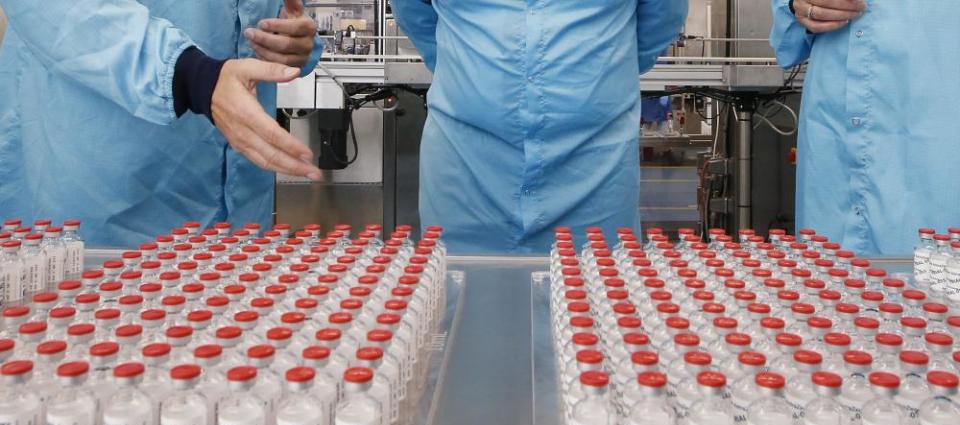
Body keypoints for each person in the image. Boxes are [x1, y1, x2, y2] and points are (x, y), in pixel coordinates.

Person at [0, 0, 325, 247]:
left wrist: (294, 39)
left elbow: (275, 13)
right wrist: (188, 73)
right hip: (101, 196)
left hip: (241, 212)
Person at [393, 1, 688, 253]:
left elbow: (663, 17)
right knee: (458, 309)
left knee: (596, 309)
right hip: (466, 170)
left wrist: (599, 76)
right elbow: (414, 13)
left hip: (594, 175)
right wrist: (464, 72)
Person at [771, 0, 960, 256]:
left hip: (932, 128)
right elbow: (788, 33)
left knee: (936, 274)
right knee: (827, 284)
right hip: (833, 130)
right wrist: (795, 5)